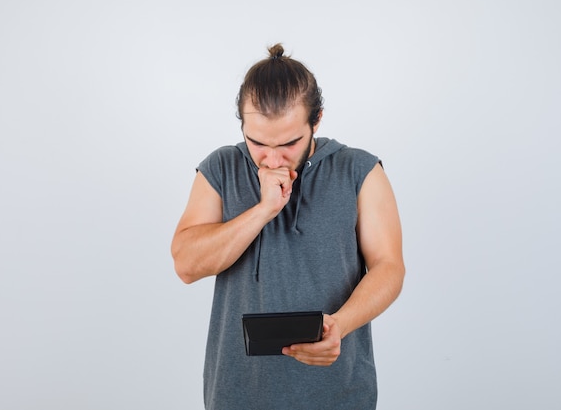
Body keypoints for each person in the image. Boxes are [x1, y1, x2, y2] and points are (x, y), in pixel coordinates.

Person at [171, 43, 405, 410]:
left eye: (289, 143)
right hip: (237, 394)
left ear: (317, 119)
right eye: (258, 143)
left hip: (339, 395)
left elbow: (389, 268)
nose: (273, 157)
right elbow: (186, 264)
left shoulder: (360, 170)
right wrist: (263, 210)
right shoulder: (220, 168)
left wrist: (340, 325)